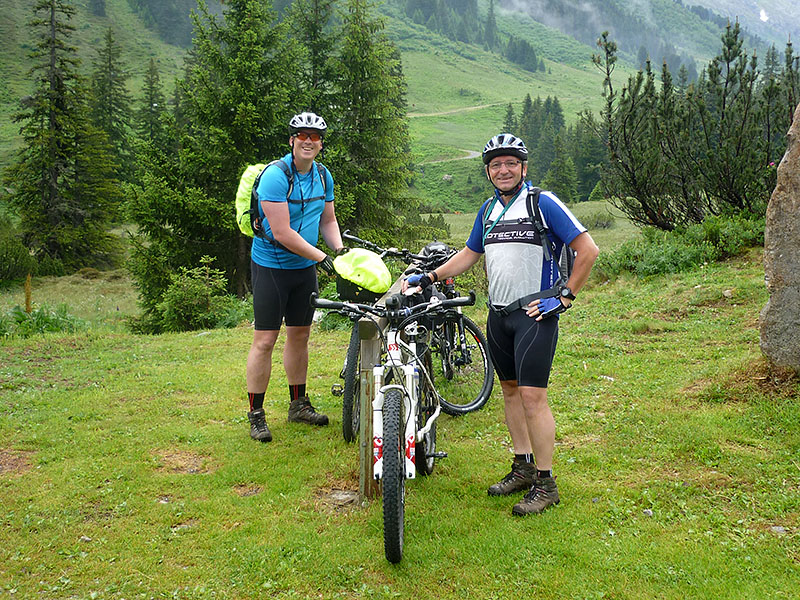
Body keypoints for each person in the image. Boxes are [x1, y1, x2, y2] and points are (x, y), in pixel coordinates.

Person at [404, 133, 599, 515]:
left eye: (511, 163)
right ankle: (523, 466)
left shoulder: (541, 202)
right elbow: (469, 254)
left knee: (532, 397)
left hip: (533, 315)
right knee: (509, 392)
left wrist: (564, 296)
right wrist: (429, 278)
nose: (503, 169)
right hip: (499, 315)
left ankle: (546, 483)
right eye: (496, 164)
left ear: (523, 167)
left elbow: (587, 250)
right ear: (489, 172)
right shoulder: (488, 210)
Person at [245, 112, 345, 442]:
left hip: (303, 270)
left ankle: (298, 405)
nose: (308, 140)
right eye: (302, 135)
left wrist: (340, 251)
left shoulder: (323, 176)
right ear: (292, 140)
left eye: (315, 137)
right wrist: (322, 257)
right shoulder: (276, 176)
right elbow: (283, 232)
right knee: (265, 340)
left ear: (320, 144)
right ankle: (256, 414)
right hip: (272, 267)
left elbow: (327, 221)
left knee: (300, 336)